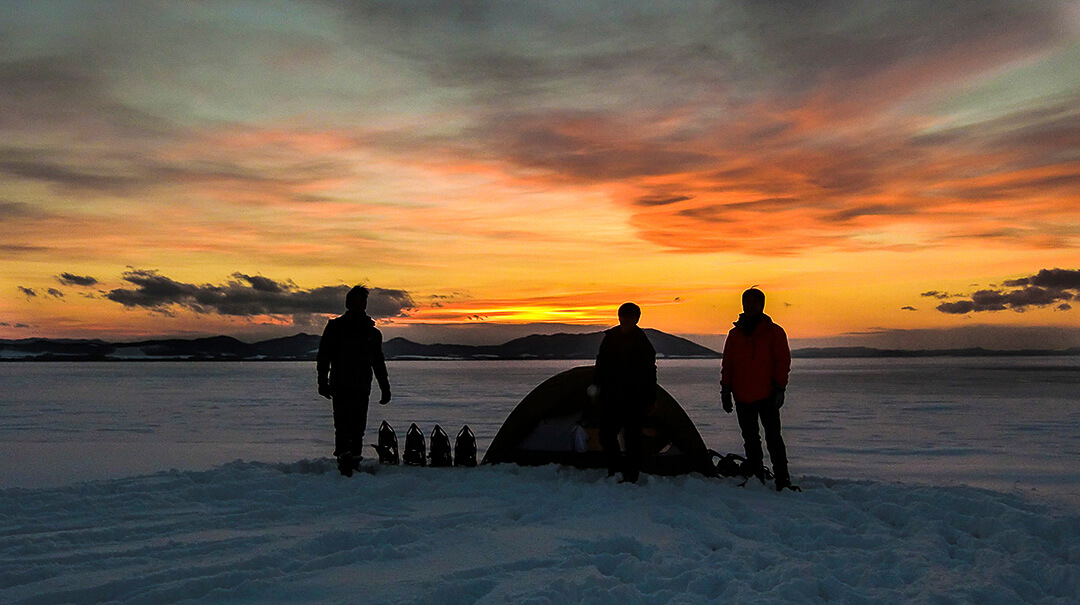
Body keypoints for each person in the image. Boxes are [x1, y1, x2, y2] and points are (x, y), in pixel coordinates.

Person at [720, 287, 797, 491]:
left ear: (762, 305)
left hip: (767, 394)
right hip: (742, 395)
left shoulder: (774, 332)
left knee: (773, 438)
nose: (750, 306)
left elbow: (782, 361)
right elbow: (728, 363)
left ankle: (782, 478)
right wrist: (726, 390)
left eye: (754, 302)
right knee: (750, 438)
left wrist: (780, 388)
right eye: (747, 302)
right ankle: (755, 475)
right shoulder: (735, 334)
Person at [317, 286, 391, 469]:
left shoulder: (372, 333)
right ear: (348, 303)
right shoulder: (335, 328)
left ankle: (355, 458)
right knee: (342, 424)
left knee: (358, 426)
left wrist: (385, 387)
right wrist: (322, 381)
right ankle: (344, 458)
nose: (360, 304)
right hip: (340, 384)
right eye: (356, 301)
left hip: (362, 385)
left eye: (363, 301)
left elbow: (378, 361)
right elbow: (324, 355)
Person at [594, 302, 657, 483]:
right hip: (611, 396)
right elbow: (601, 366)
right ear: (619, 317)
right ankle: (615, 468)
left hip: (634, 398)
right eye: (624, 315)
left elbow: (650, 373)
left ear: (637, 319)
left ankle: (631, 474)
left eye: (631, 316)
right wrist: (596, 388)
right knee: (606, 435)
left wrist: (650, 398)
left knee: (632, 438)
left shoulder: (642, 342)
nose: (627, 319)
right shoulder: (610, 338)